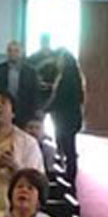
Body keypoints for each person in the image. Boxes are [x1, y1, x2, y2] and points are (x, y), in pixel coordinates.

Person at [44, 49, 84, 185]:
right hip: (69, 117)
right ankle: (67, 171)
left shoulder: (67, 77)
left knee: (69, 148)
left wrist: (44, 110)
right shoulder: (73, 76)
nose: (57, 62)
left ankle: (70, 175)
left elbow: (60, 99)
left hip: (66, 118)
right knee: (67, 146)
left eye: (59, 59)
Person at [0, 41, 39, 126]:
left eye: (16, 51)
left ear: (21, 53)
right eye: (10, 51)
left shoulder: (31, 72)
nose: (13, 53)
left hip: (25, 112)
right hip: (2, 110)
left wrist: (35, 112)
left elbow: (35, 93)